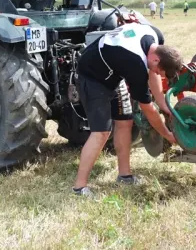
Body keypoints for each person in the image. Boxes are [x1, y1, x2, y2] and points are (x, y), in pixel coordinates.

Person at [72, 21, 183, 196]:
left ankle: (125, 176)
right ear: (155, 59)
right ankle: (79, 187)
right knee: (101, 132)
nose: (157, 74)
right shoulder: (135, 63)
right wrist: (167, 135)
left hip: (115, 75)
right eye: (159, 71)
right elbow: (148, 110)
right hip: (92, 77)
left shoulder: (155, 36)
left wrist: (163, 104)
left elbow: (152, 74)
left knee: (125, 122)